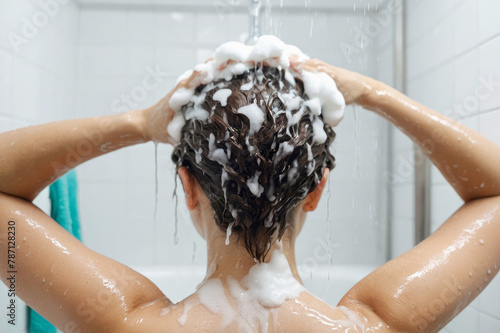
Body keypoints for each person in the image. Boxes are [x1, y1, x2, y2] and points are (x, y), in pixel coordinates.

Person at [1, 54, 500, 333]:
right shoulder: (378, 326)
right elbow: (494, 193)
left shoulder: (124, 324)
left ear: (188, 187)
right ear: (316, 191)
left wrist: (139, 123)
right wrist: (373, 92)